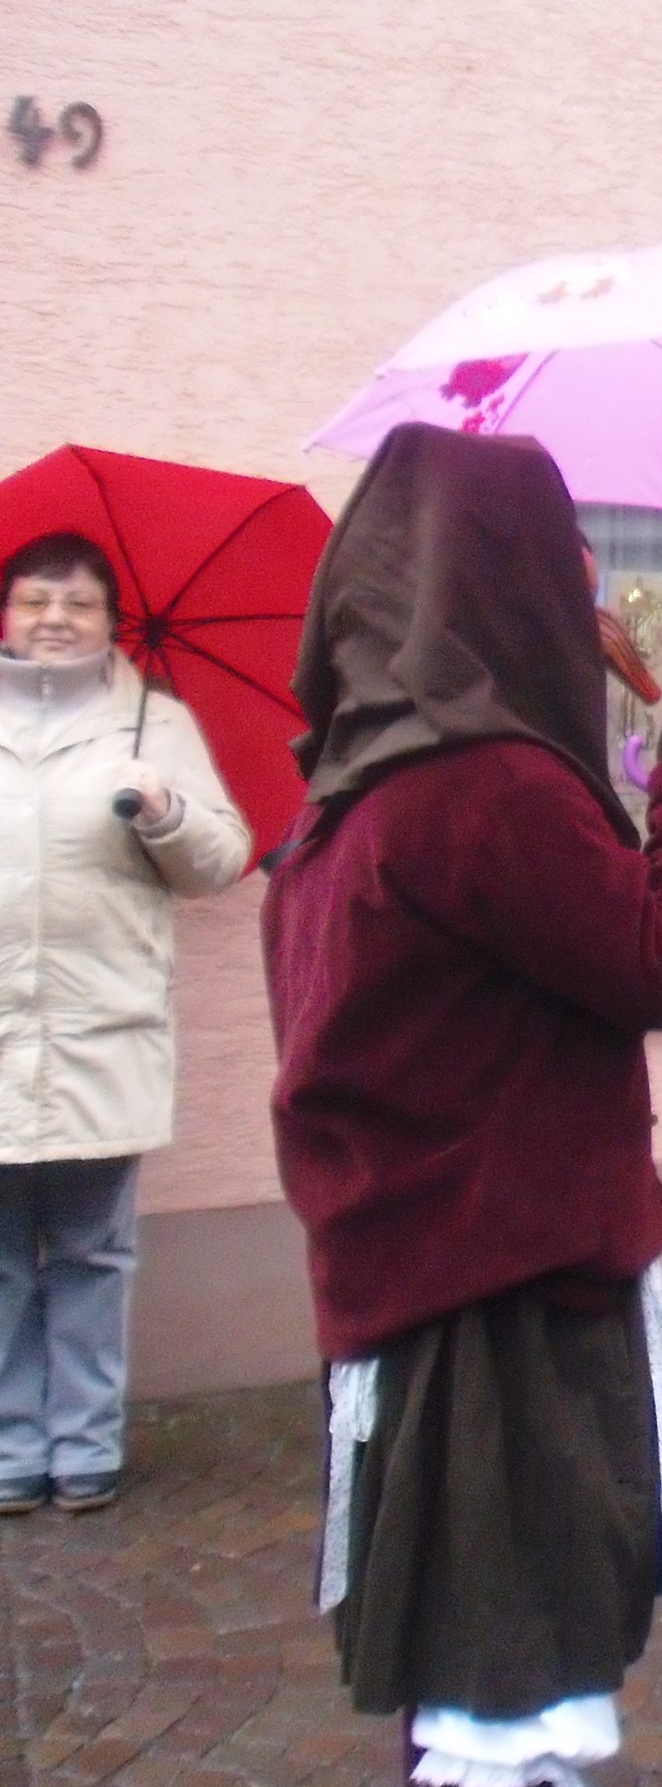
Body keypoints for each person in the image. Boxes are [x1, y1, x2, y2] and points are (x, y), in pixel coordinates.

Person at [264, 424, 662, 1787]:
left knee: (470, 1661)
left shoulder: (344, 799)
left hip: (418, 1284)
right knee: (514, 1675)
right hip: (507, 1304)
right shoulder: (481, 785)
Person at [0, 530, 249, 1517]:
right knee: (0, 1259)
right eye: (34, 600)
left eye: (78, 603)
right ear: (7, 613)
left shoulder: (155, 722)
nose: (54, 619)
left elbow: (220, 861)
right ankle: (11, 1446)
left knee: (93, 1251)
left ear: (110, 621)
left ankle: (86, 1444)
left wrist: (164, 811)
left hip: (101, 1032)